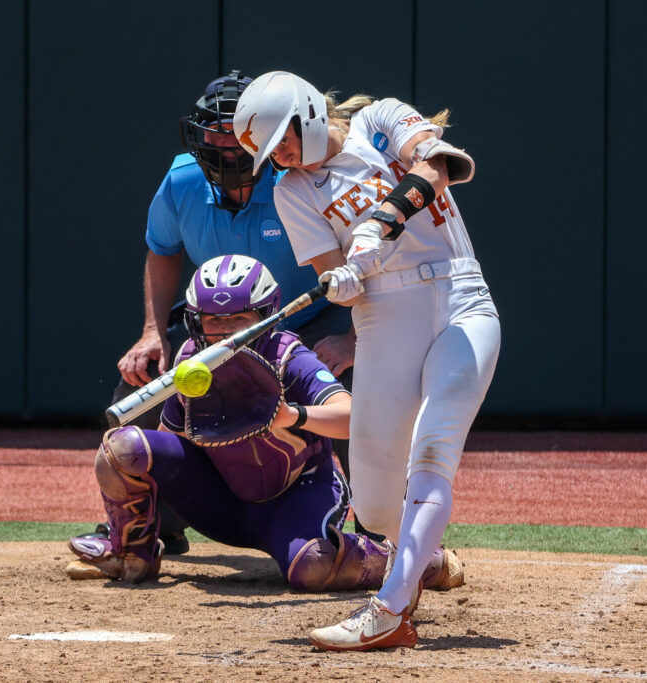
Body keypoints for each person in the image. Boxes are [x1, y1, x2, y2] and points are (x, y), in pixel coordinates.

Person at [232, 72, 501, 650]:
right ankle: (421, 556)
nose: (280, 157)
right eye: (269, 152)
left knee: (433, 450)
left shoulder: (379, 122)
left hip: (460, 298)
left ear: (307, 112)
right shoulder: (292, 190)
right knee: (376, 508)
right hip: (383, 321)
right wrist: (344, 279)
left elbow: (439, 165)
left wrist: (382, 224)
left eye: (282, 140)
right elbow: (341, 276)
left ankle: (389, 610)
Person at [66, 255, 463, 594]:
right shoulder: (191, 361)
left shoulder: (288, 355)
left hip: (296, 494)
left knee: (312, 567)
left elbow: (354, 418)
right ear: (195, 322)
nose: (224, 332)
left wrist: (291, 416)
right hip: (221, 504)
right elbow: (169, 445)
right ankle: (130, 553)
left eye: (239, 318)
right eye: (212, 321)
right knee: (121, 447)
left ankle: (414, 560)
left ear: (264, 317)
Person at [111, 70, 371, 552]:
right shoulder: (182, 180)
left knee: (364, 390)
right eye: (217, 132)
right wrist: (152, 332)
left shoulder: (298, 179)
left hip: (312, 318)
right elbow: (162, 248)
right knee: (143, 385)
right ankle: (148, 530)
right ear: (199, 135)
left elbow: (360, 265)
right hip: (218, 328)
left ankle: (377, 532)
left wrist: (356, 339)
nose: (228, 143)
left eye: (241, 132)